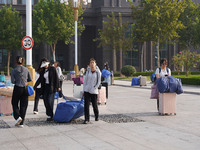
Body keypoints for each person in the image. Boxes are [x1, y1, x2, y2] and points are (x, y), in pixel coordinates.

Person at [11, 56, 32, 128]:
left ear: (16, 61)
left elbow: (12, 81)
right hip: (25, 88)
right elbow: (30, 79)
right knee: (24, 105)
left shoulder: (14, 70)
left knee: (14, 103)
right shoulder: (26, 69)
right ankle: (22, 123)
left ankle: (17, 117)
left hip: (17, 88)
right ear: (23, 62)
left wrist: (17, 81)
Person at [83, 58, 101, 124]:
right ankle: (86, 119)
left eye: (93, 62)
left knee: (94, 105)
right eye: (91, 63)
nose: (92, 64)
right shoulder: (88, 71)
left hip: (94, 90)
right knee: (86, 105)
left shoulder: (98, 72)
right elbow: (85, 81)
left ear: (95, 64)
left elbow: (99, 81)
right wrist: (84, 90)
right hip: (87, 90)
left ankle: (96, 115)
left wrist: (95, 87)